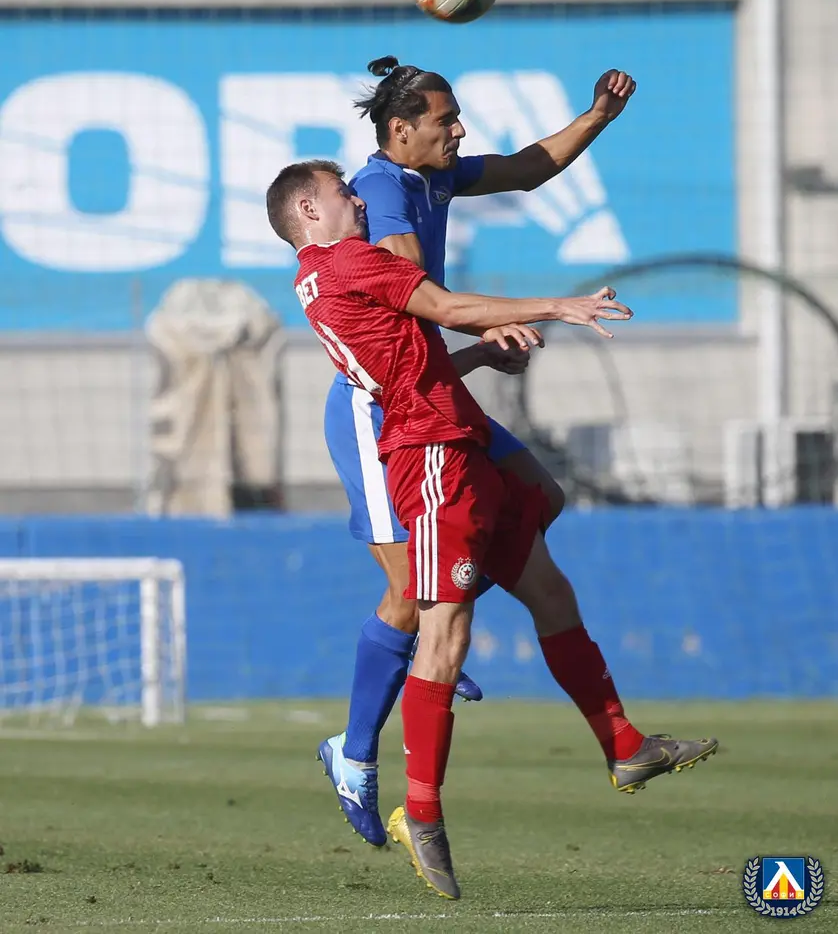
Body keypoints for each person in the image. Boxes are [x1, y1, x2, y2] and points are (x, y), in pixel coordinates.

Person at [267, 160, 719, 900]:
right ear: (309, 211)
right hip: (432, 459)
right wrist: (561, 305)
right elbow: (445, 307)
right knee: (443, 632)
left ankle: (624, 745)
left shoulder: (323, 276)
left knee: (549, 587)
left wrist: (481, 352)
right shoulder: (349, 260)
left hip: (458, 441)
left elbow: (410, 362)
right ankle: (420, 811)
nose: (357, 200)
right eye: (342, 193)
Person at [318, 55, 639, 847]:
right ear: (401, 130)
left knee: (540, 497)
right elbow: (420, 293)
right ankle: (352, 753)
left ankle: (442, 614)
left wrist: (596, 117)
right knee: (408, 595)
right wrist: (532, 310)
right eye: (445, 119)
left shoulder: (433, 176)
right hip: (379, 409)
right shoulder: (383, 188)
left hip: (434, 390)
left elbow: (527, 170)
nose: (459, 130)